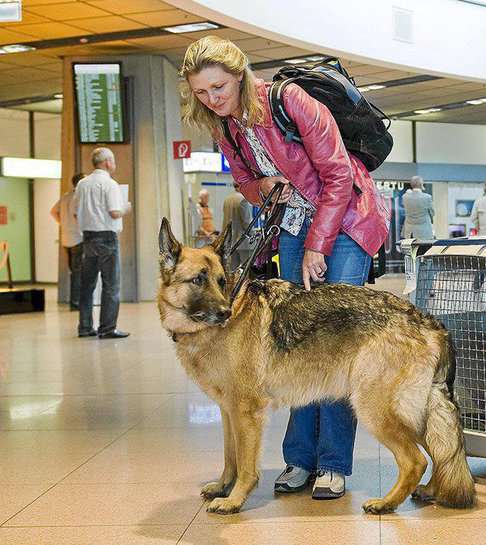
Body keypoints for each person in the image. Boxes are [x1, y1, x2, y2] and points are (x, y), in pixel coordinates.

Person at [181, 36, 389, 500]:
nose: (212, 99)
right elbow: (243, 183)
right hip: (295, 221)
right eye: (201, 92)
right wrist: (263, 184)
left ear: (239, 74)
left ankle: (333, 464)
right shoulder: (225, 125)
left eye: (218, 87)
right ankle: (299, 459)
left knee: (335, 341)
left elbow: (337, 174)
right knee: (294, 340)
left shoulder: (290, 100)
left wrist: (319, 245)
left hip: (349, 219)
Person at [75, 147, 131, 339]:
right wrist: (126, 207)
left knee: (87, 286)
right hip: (107, 238)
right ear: (108, 162)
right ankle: (107, 328)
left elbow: (76, 212)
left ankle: (84, 327)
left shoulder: (82, 184)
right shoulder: (110, 184)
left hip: (88, 238)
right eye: (113, 160)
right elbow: (115, 212)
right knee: (111, 286)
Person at [50, 172, 84, 310]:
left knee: (74, 272)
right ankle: (76, 303)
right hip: (78, 238)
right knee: (78, 273)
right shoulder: (79, 197)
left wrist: (62, 223)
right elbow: (78, 215)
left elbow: (53, 211)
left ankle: (74, 301)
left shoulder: (65, 196)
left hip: (66, 238)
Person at [222, 182, 253, 270]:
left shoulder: (227, 199)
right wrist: (253, 236)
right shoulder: (243, 199)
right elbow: (247, 222)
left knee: (232, 270)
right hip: (243, 241)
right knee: (247, 269)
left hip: (230, 241)